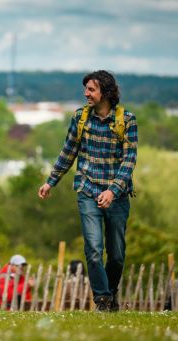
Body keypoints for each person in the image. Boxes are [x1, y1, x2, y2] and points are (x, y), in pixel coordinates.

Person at [38, 70, 137, 312]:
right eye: (86, 89)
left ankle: (111, 294)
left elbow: (129, 159)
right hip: (87, 189)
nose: (86, 94)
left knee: (116, 255)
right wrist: (51, 181)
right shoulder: (80, 118)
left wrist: (113, 191)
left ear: (106, 91)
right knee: (93, 249)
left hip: (118, 195)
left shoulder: (127, 120)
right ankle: (102, 299)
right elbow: (69, 151)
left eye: (91, 89)